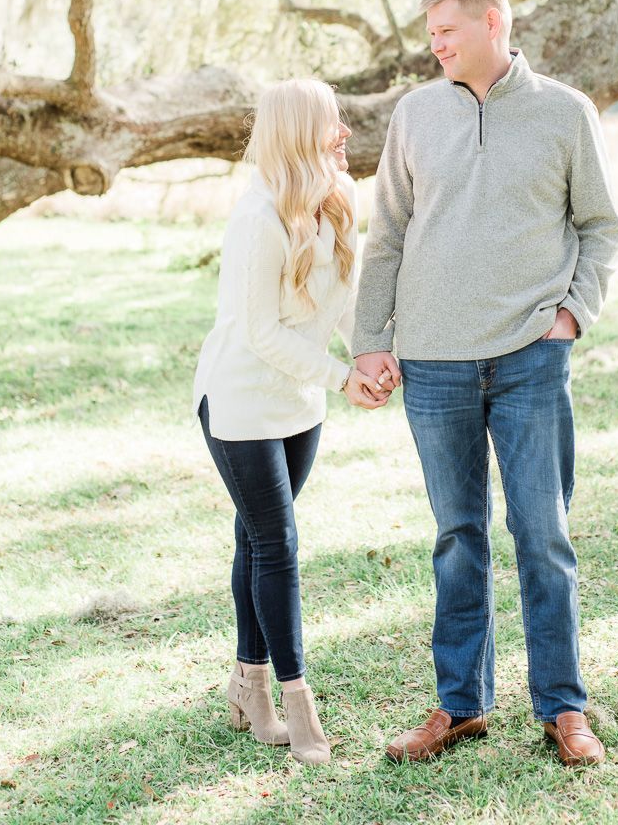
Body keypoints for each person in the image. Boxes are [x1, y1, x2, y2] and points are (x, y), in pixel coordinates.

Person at [352, 0, 618, 767]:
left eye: (447, 30)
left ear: (493, 23)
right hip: (432, 360)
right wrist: (369, 338)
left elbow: (600, 226)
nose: (435, 44)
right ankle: (460, 705)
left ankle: (562, 708)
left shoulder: (563, 112)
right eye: (431, 33)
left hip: (529, 356)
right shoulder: (415, 113)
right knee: (455, 537)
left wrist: (569, 316)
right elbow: (387, 232)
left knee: (543, 535)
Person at [193, 78, 388, 766]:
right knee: (276, 544)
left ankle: (246, 686)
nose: (344, 132)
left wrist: (367, 357)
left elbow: (345, 299)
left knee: (256, 538)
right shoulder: (257, 219)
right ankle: (297, 704)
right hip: (241, 401)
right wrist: (339, 376)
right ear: (301, 132)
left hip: (299, 406)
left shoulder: (340, 198)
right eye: (333, 122)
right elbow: (261, 334)